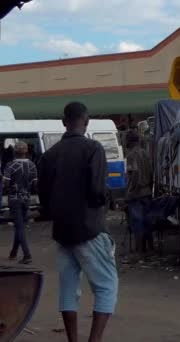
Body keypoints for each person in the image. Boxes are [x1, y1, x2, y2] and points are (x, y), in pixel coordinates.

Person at [38, 102, 118, 342]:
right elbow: (96, 190)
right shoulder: (93, 148)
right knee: (106, 286)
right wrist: (107, 197)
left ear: (64, 122)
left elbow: (44, 199)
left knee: (68, 290)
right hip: (89, 228)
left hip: (62, 233)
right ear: (87, 121)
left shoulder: (49, 155)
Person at [3, 142, 37, 264]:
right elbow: (35, 185)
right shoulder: (32, 165)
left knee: (19, 227)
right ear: (26, 151)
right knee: (20, 225)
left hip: (14, 199)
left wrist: (9, 188)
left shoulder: (10, 165)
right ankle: (13, 252)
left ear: (15, 151)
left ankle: (27, 255)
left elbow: (5, 184)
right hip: (26, 199)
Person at [125, 130, 154, 254]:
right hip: (147, 192)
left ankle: (140, 250)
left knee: (137, 222)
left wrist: (130, 192)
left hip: (136, 194)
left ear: (130, 141)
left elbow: (134, 173)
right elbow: (151, 172)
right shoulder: (145, 153)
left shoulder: (131, 155)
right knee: (147, 221)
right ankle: (150, 248)